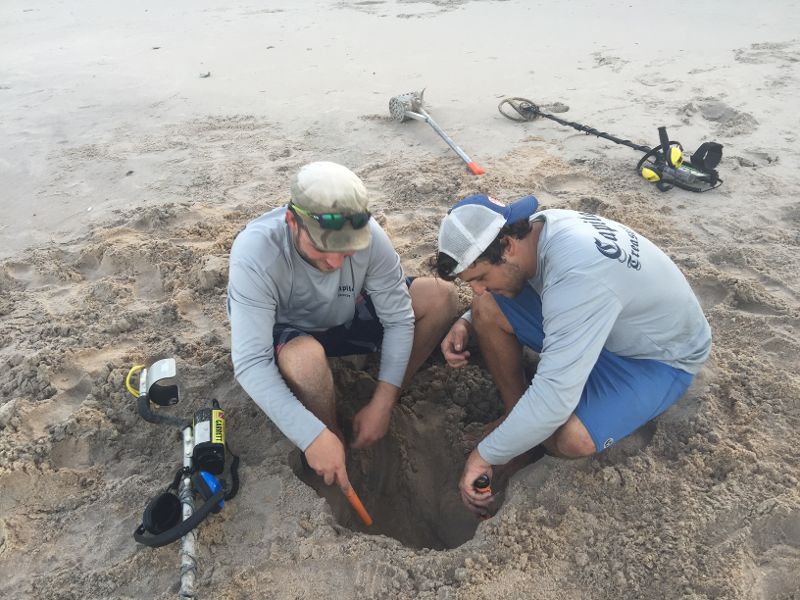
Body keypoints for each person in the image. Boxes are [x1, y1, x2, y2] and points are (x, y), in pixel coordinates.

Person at [433, 194, 711, 515]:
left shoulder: (578, 275)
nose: (476, 289)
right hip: (607, 321)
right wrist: (468, 321)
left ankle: (524, 436)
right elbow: (521, 295)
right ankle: (516, 416)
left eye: (480, 278)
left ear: (507, 245)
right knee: (485, 309)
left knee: (569, 438)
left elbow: (553, 402)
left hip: (657, 358)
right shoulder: (537, 233)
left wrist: (483, 456)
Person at [228, 161, 457, 495]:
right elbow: (251, 363)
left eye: (347, 248)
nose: (335, 263)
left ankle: (383, 398)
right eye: (323, 246)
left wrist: (383, 402)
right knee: (306, 362)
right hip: (292, 333)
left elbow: (397, 318)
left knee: (440, 298)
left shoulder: (372, 238)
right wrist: (311, 436)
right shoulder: (256, 253)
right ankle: (331, 435)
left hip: (347, 314)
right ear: (293, 221)